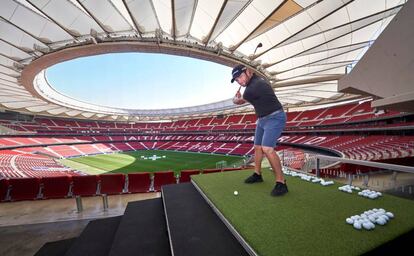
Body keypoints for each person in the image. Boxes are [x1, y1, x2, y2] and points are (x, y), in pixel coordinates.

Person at [231, 64, 288, 196]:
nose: (239, 81)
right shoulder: (253, 84)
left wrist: (235, 99)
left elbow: (239, 102)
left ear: (249, 71)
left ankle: (281, 182)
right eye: (237, 79)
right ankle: (257, 174)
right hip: (262, 119)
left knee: (267, 148)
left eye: (240, 76)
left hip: (275, 117)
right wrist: (240, 97)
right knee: (257, 147)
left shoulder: (253, 87)